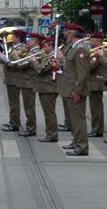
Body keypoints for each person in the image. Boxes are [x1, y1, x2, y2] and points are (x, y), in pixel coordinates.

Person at [60, 23, 91, 156]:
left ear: (72, 34)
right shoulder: (73, 48)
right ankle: (76, 141)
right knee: (73, 119)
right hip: (69, 89)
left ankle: (82, 147)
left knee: (78, 119)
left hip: (75, 91)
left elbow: (82, 73)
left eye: (67, 32)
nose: (65, 34)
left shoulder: (80, 49)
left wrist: (77, 91)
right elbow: (70, 68)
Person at [30, 36, 60, 143]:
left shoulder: (52, 57)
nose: (43, 48)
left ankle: (52, 134)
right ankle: (50, 133)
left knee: (49, 114)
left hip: (48, 88)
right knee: (48, 113)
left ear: (51, 47)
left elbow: (40, 69)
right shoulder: (48, 56)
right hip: (46, 88)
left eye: (45, 46)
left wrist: (33, 61)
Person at [87, 31, 105, 138]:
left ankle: (97, 130)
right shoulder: (95, 51)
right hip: (94, 82)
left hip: (96, 83)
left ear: (98, 41)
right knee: (95, 108)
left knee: (96, 108)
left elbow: (90, 67)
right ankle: (96, 129)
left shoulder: (99, 52)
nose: (90, 42)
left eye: (92, 40)